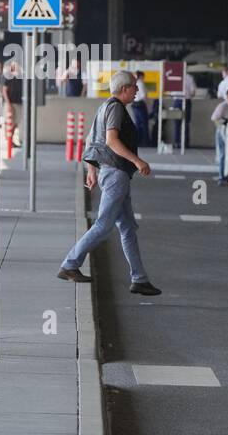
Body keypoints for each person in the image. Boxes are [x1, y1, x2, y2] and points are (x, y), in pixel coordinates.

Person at [58, 71, 160, 295]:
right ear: (124, 89)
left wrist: (92, 169)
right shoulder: (116, 108)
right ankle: (70, 264)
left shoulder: (105, 107)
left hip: (111, 172)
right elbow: (111, 140)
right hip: (116, 173)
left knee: (128, 228)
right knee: (104, 225)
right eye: (134, 87)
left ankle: (139, 278)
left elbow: (92, 140)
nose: (137, 90)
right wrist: (137, 160)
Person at [1, 59, 22, 147]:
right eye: (14, 65)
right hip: (10, 102)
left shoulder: (20, 77)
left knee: (16, 122)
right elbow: (4, 91)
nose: (16, 66)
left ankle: (11, 140)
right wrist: (8, 103)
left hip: (18, 102)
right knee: (9, 121)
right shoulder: (7, 76)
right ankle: (9, 141)